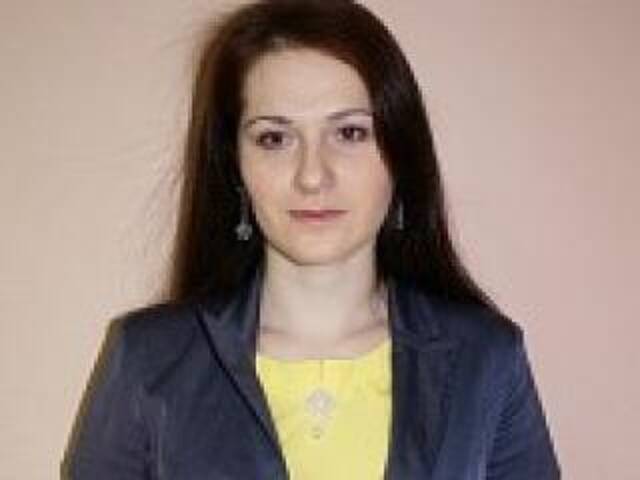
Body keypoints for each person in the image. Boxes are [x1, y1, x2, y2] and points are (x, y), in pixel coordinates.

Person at [64, 0, 561, 478]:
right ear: (235, 167)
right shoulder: (149, 358)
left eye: (350, 133)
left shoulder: (486, 359)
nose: (312, 175)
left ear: (401, 154)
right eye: (274, 139)